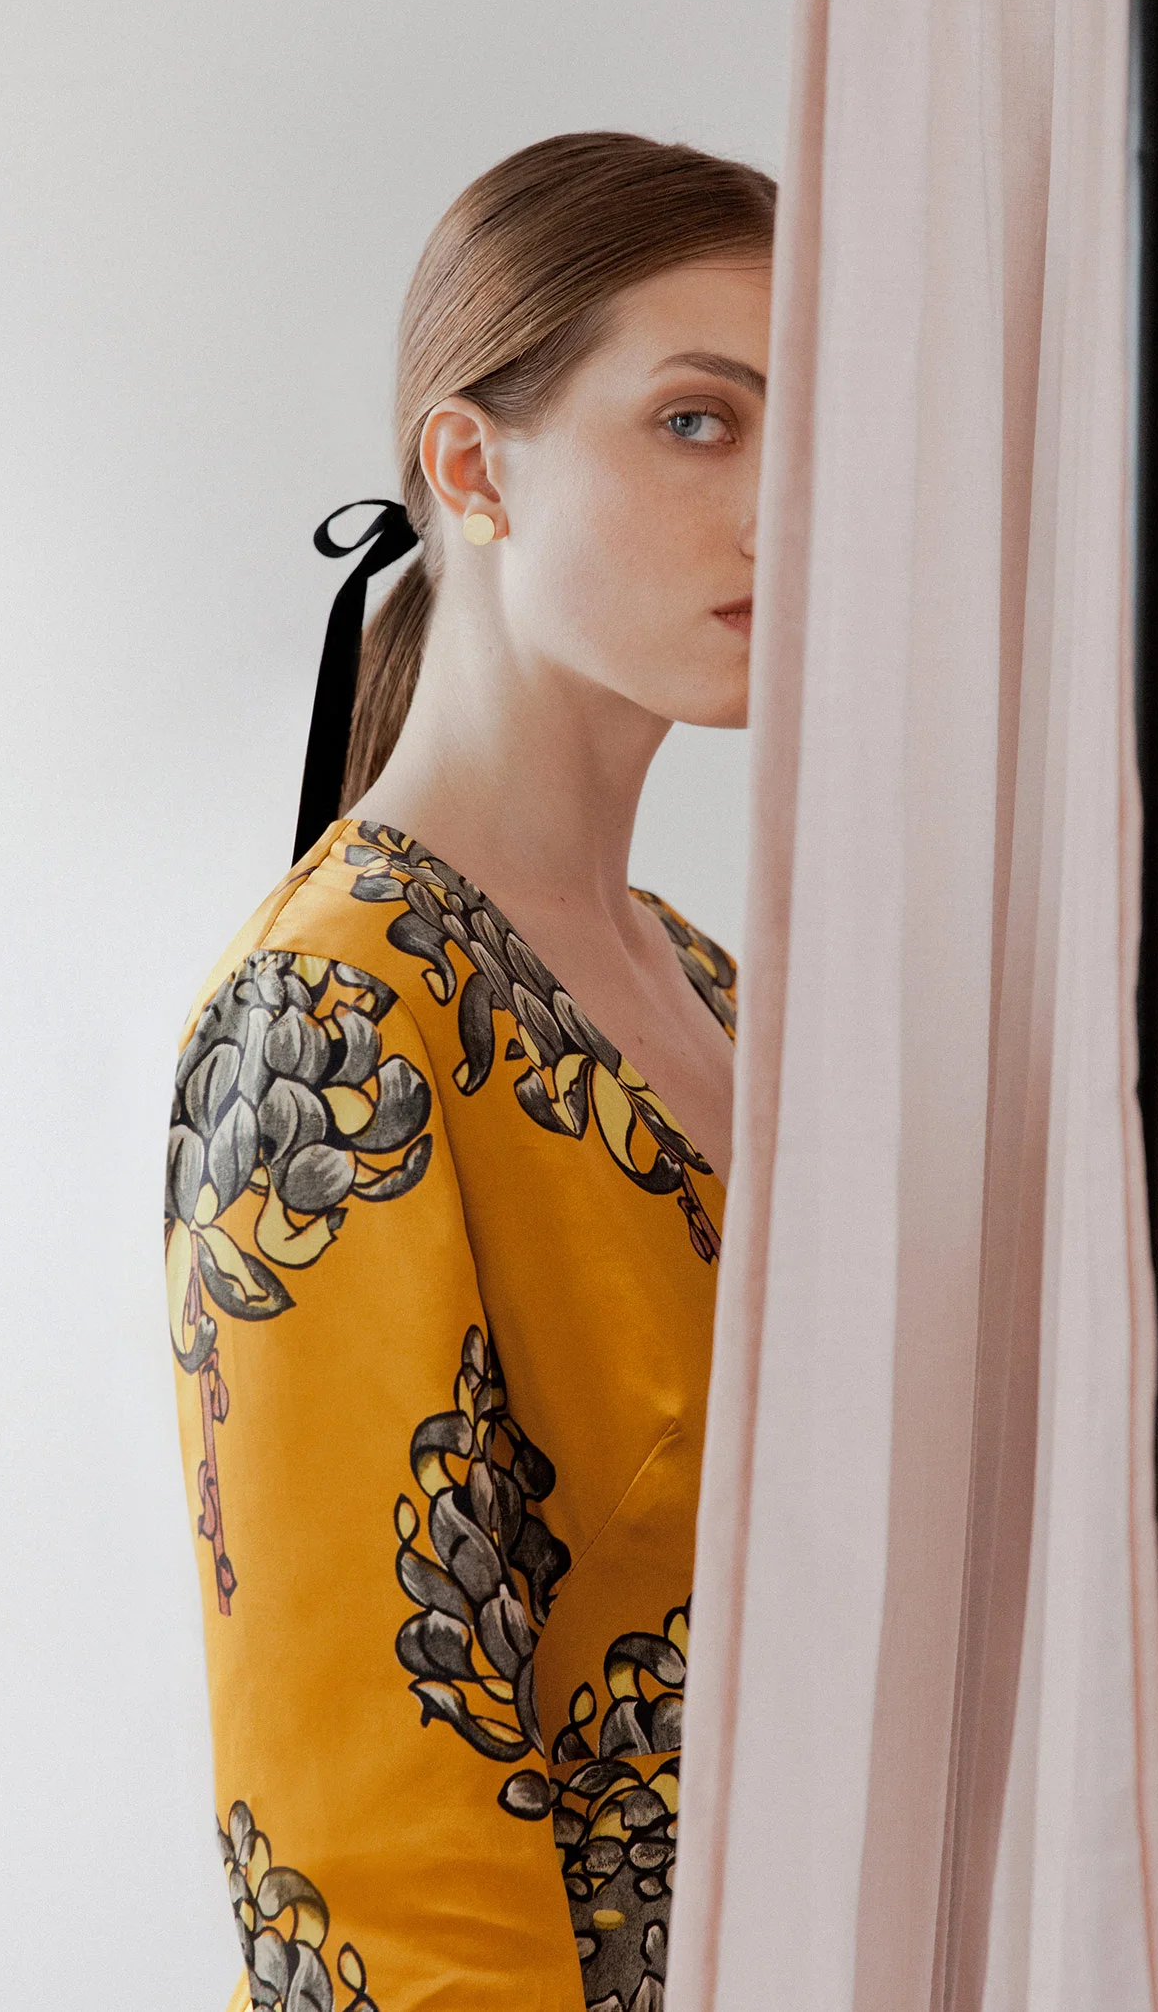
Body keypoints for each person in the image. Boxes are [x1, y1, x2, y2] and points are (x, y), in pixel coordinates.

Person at [165, 130, 773, 2012]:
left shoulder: (712, 985)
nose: (786, 498)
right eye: (699, 420)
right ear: (468, 461)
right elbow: (359, 1829)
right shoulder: (339, 1016)